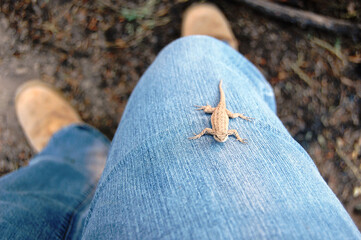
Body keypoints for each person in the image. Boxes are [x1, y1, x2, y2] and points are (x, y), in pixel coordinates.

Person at [0, 3, 360, 239]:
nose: (220, 136)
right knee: (192, 60)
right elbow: (213, 127)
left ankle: (73, 153)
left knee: (33, 198)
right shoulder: (215, 127)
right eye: (219, 133)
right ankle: (212, 55)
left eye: (221, 134)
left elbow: (228, 129)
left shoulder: (226, 129)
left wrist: (235, 132)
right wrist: (212, 125)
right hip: (218, 110)